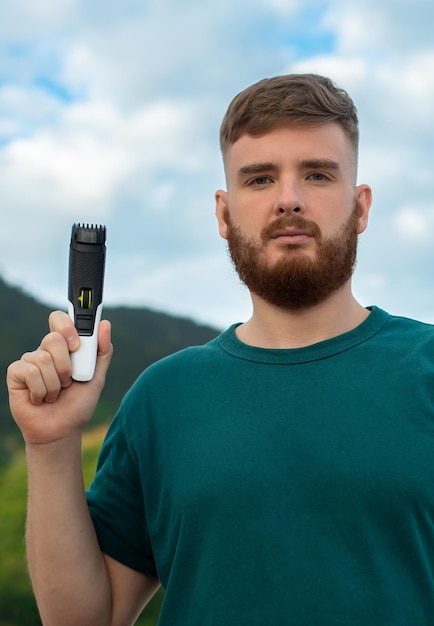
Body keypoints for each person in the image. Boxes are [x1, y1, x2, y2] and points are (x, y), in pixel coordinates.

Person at [7, 73, 434, 625]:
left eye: (317, 174)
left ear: (361, 207)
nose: (288, 200)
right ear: (223, 214)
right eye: (259, 179)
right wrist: (52, 444)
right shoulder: (163, 398)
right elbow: (83, 620)